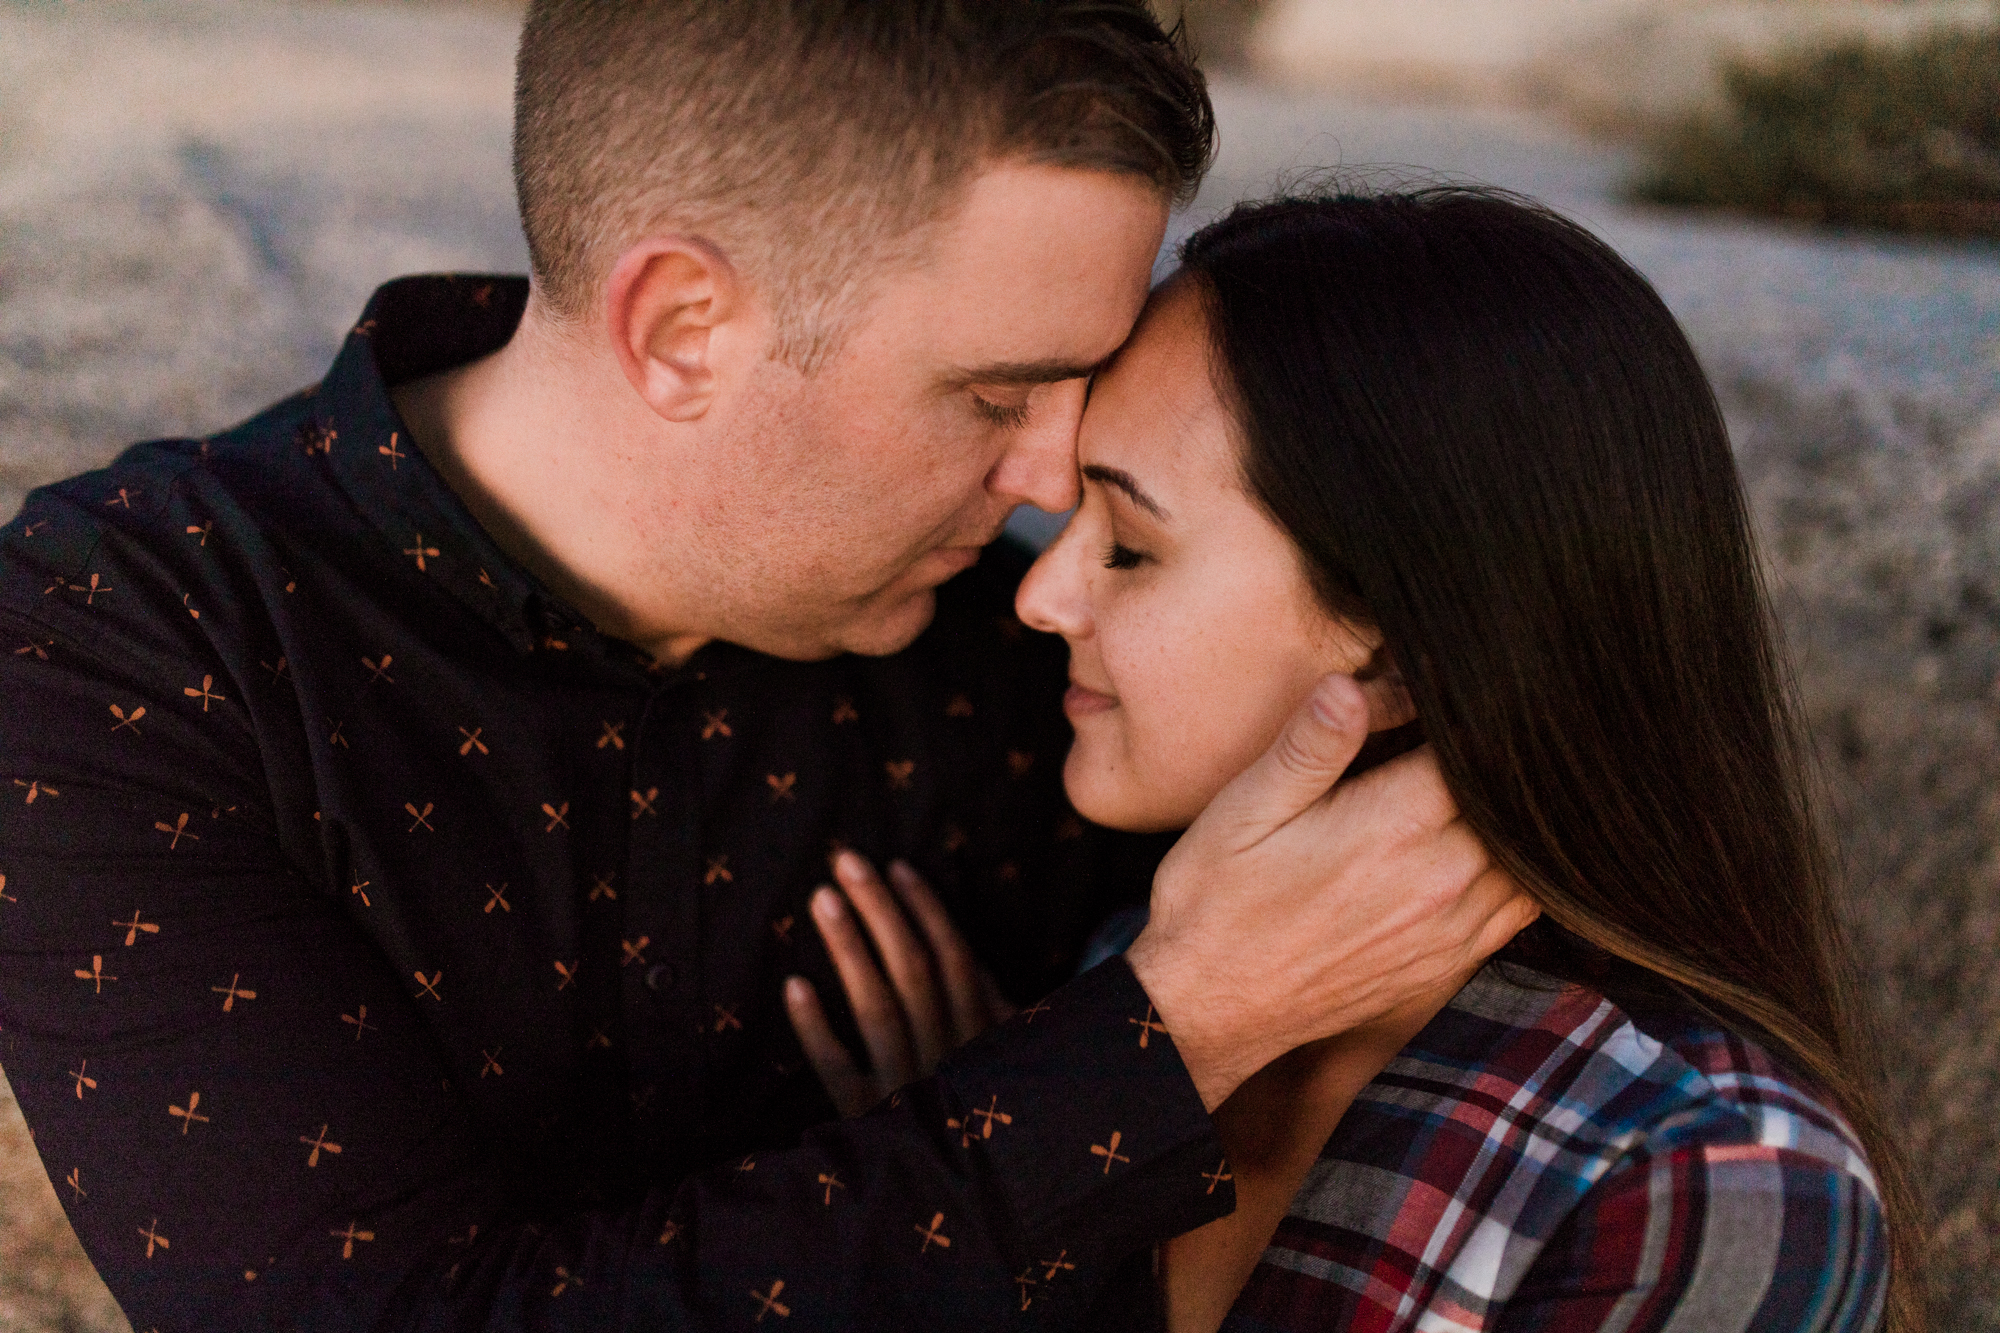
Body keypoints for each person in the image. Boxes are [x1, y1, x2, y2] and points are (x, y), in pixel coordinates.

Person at [0, 6, 1532, 1331]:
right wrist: (1153, 1044)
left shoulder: (1011, 659)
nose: (1061, 472)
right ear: (681, 330)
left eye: (1076, 385)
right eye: (998, 390)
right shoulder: (125, 650)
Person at [795, 189, 1913, 1333]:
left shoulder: (1698, 1171)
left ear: (1395, 647)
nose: (1039, 596)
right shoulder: (1121, 973)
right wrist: (980, 1178)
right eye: (1066, 522)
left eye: (1128, 546)